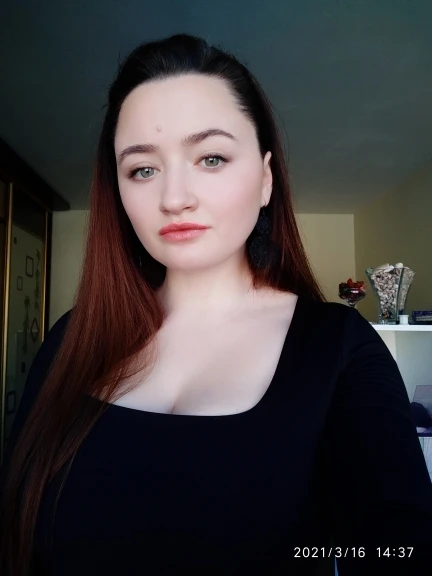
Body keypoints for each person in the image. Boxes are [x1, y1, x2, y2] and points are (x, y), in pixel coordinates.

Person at [0, 33, 431, 576]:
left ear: (266, 179)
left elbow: (399, 548)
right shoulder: (71, 340)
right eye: (142, 169)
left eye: (211, 158)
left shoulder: (338, 348)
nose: (174, 198)